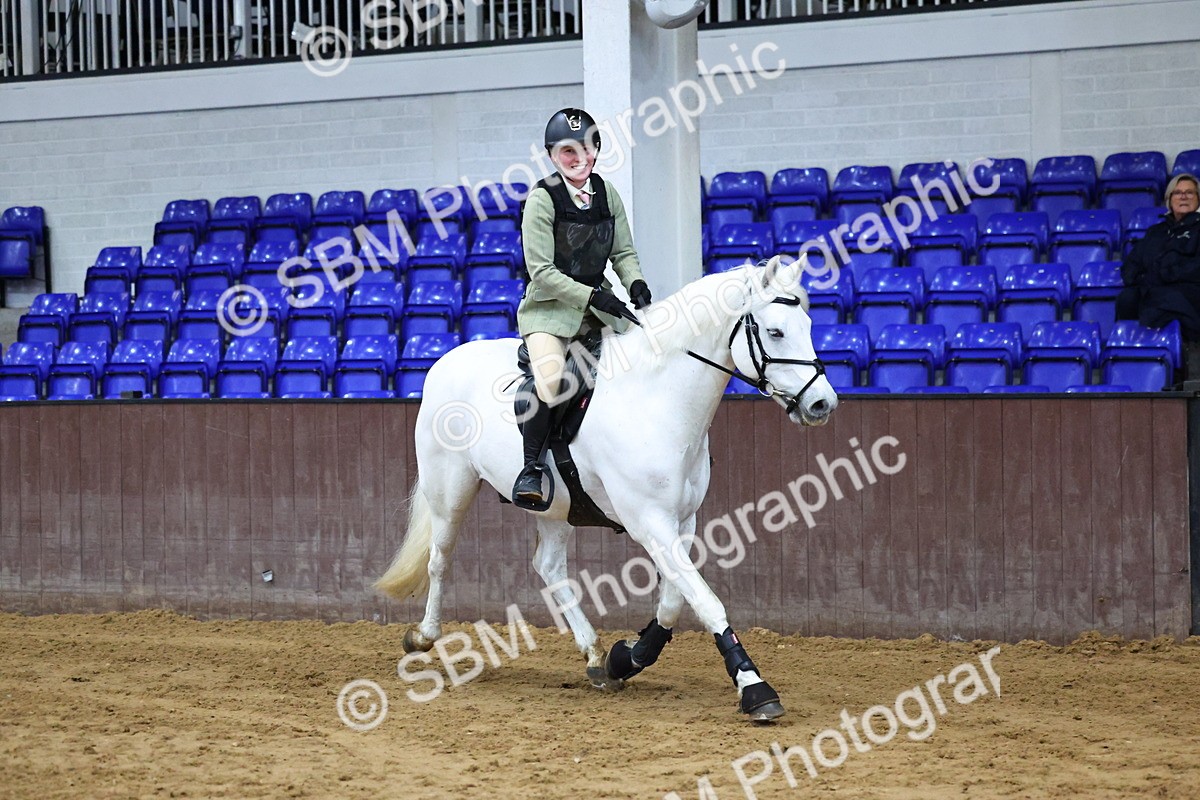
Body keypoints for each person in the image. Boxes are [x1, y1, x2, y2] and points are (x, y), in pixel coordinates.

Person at [511, 107, 654, 508]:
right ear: (552, 155)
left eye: (586, 148)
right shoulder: (541, 199)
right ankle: (532, 468)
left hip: (601, 309)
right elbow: (541, 272)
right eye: (567, 151)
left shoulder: (607, 194)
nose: (578, 158)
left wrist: (636, 283)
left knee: (647, 357)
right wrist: (593, 296)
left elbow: (623, 251)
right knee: (552, 379)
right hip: (549, 313)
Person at [1117, 173, 1200, 340]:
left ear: (1198, 199)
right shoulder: (1156, 232)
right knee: (1127, 298)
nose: (1183, 196)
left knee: (1167, 301)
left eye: (1189, 192)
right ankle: (1128, 353)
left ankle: (1184, 357)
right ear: (1169, 199)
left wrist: (1166, 275)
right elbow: (1131, 264)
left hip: (1187, 291)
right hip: (1152, 288)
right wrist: (1142, 279)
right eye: (1177, 193)